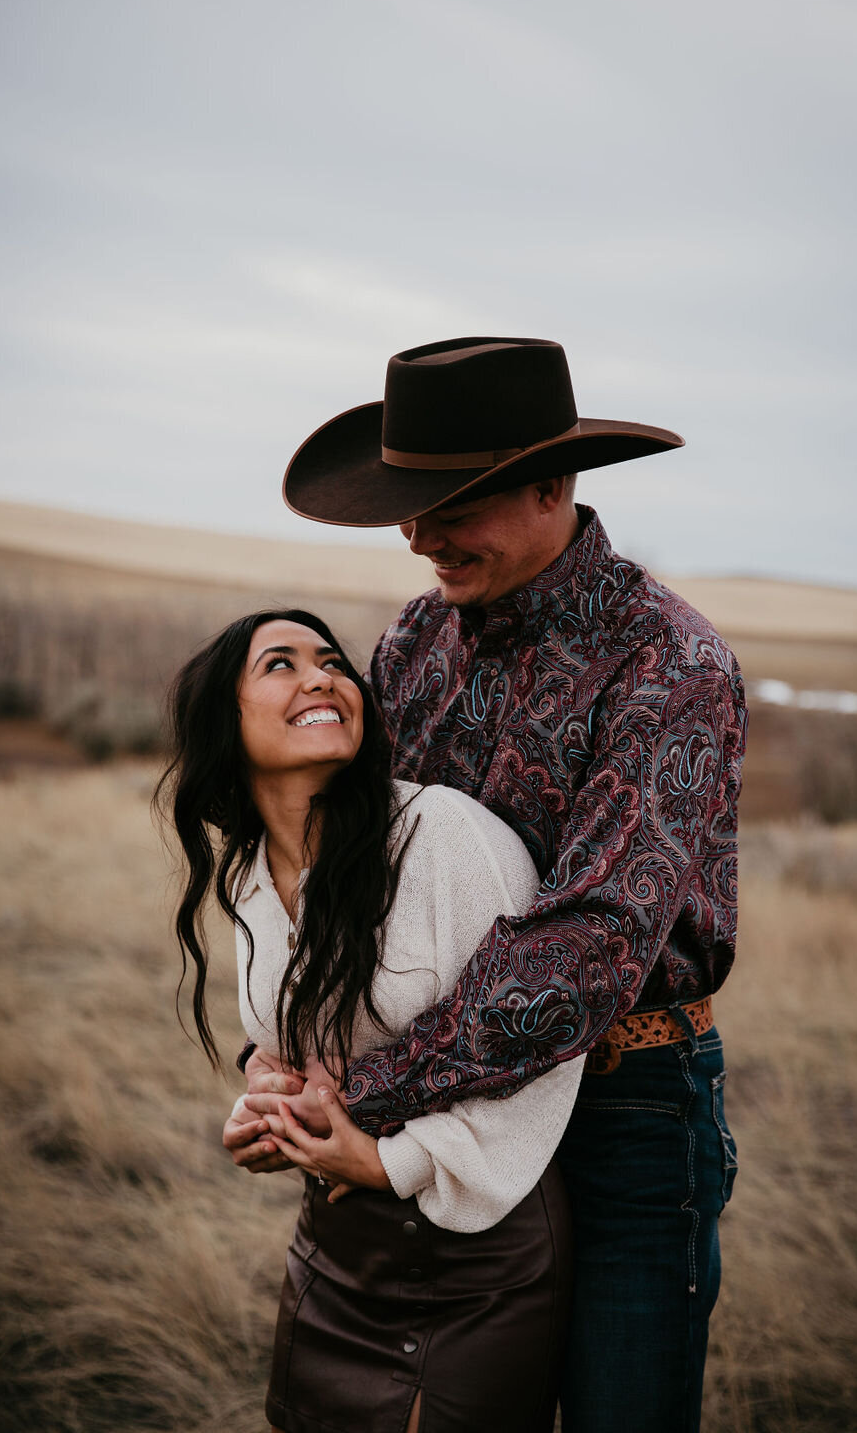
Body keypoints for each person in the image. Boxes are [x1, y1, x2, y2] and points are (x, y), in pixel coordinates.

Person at [238, 337, 747, 1433]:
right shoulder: (416, 642)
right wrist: (279, 1062)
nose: (418, 535)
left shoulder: (667, 662)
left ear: (550, 485)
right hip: (453, 1105)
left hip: (624, 1110)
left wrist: (360, 1096)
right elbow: (349, 868)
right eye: (408, 505)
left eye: (451, 503)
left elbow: (591, 944)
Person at [159, 607, 584, 1433]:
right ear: (226, 721)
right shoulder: (249, 874)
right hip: (334, 1244)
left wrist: (387, 1162)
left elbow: (542, 1044)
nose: (321, 677)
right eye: (279, 664)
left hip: (475, 1252)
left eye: (330, 661)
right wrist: (268, 1110)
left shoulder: (441, 837)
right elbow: (301, 1049)